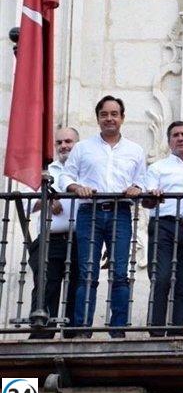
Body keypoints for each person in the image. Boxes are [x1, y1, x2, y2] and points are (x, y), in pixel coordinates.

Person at [60, 96, 147, 338]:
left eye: (114, 114)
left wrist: (137, 188)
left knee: (120, 273)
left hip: (120, 213)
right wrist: (77, 188)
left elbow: (143, 179)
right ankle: (82, 331)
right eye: (104, 114)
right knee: (87, 273)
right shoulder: (82, 148)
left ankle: (118, 331)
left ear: (122, 117)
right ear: (98, 118)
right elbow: (66, 177)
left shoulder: (135, 150)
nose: (109, 118)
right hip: (90, 212)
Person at [142, 121, 183, 336]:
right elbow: (146, 200)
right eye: (175, 135)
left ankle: (177, 333)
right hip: (163, 225)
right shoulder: (157, 168)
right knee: (161, 277)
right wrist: (152, 195)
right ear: (169, 141)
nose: (180, 138)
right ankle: (156, 330)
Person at [28, 127, 81, 339]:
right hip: (51, 240)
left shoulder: (85, 170)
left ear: (78, 144)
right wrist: (47, 199)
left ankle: (72, 338)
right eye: (59, 142)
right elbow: (25, 205)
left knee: (77, 289)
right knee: (45, 288)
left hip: (80, 240)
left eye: (68, 141)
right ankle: (41, 337)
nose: (63, 146)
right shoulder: (47, 171)